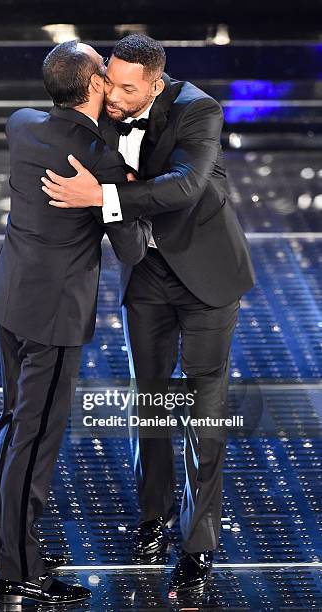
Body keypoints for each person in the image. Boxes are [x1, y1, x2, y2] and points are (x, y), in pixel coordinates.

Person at [40, 34, 256, 595]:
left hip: (207, 275)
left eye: (127, 89)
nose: (113, 96)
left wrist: (105, 199)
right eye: (109, 80)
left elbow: (185, 186)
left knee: (204, 412)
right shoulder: (105, 105)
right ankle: (154, 516)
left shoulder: (198, 110)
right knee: (152, 401)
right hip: (148, 272)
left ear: (156, 84)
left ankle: (198, 543)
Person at [0, 39, 151, 606]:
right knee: (34, 438)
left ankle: (0, 544)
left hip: (10, 299)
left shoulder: (22, 124)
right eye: (106, 73)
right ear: (95, 86)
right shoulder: (100, 158)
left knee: (13, 425)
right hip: (53, 316)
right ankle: (20, 569)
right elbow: (130, 248)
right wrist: (110, 194)